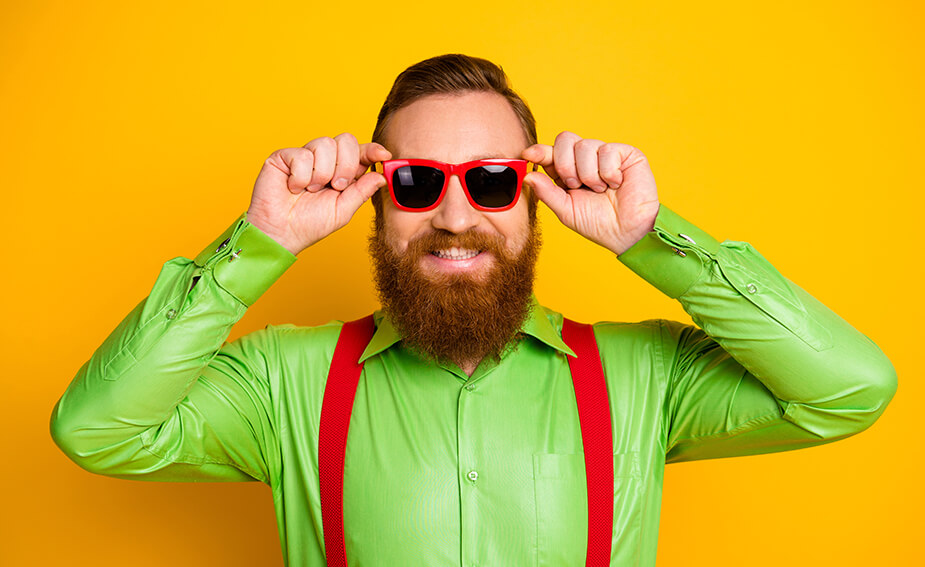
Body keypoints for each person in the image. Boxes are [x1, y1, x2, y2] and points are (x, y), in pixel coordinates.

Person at [50, 53, 897, 566]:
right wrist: (259, 241)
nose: (456, 217)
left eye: (490, 181)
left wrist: (649, 237)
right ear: (375, 203)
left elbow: (848, 388)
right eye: (417, 182)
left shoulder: (642, 377)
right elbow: (97, 429)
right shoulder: (286, 382)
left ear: (535, 200)